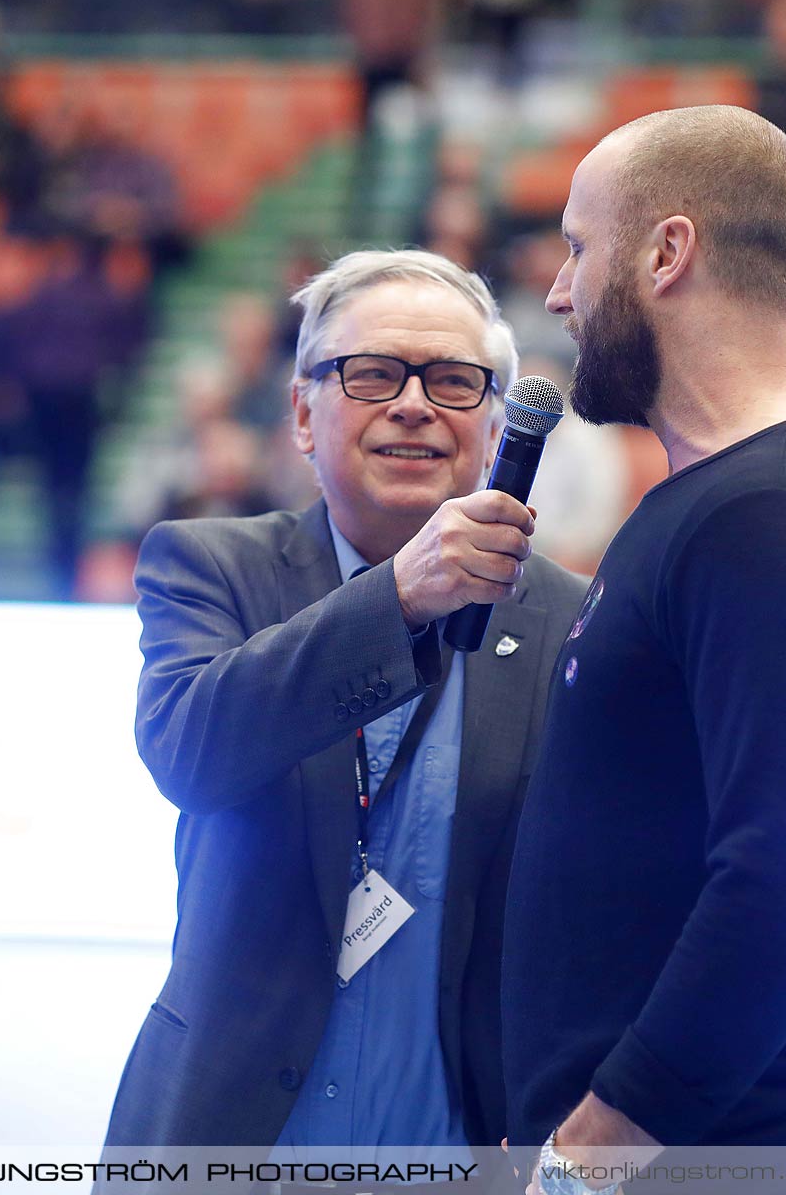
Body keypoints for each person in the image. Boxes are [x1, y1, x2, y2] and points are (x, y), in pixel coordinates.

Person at [501, 105, 786, 1173]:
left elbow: (784, 891)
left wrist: (592, 1151)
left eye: (578, 247)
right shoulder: (722, 501)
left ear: (667, 251)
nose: (558, 292)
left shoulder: (775, 519)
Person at [103, 249, 588, 1151]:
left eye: (453, 381)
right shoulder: (210, 566)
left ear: (493, 428)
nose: (412, 403)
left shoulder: (567, 619)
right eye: (370, 375)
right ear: (300, 411)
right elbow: (190, 755)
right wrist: (400, 594)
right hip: (231, 1136)